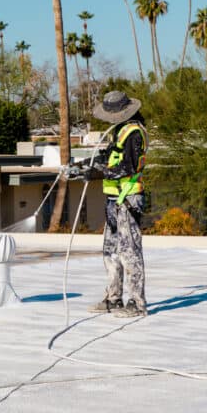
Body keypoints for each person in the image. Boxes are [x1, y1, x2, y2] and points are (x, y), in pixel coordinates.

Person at [65, 91, 149, 318]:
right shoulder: (120, 132)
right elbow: (108, 158)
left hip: (128, 199)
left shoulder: (134, 133)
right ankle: (114, 298)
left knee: (129, 252)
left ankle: (137, 303)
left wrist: (94, 173)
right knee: (110, 251)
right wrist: (81, 165)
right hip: (114, 199)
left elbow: (128, 168)